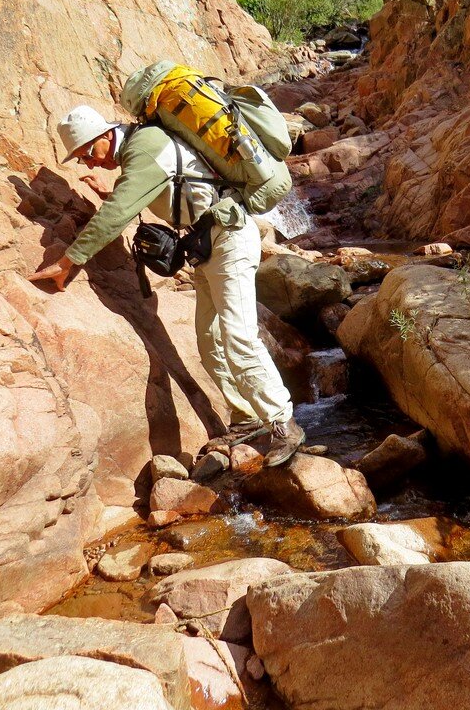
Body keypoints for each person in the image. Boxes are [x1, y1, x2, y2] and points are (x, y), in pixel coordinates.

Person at [28, 105, 305, 467]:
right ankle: (246, 417)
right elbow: (156, 187)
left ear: (105, 136)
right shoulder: (138, 152)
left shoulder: (145, 146)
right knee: (209, 341)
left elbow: (117, 215)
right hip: (207, 245)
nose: (89, 164)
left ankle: (284, 424)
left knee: (238, 336)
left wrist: (67, 262)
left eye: (87, 154)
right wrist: (114, 190)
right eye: (82, 160)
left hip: (229, 239)